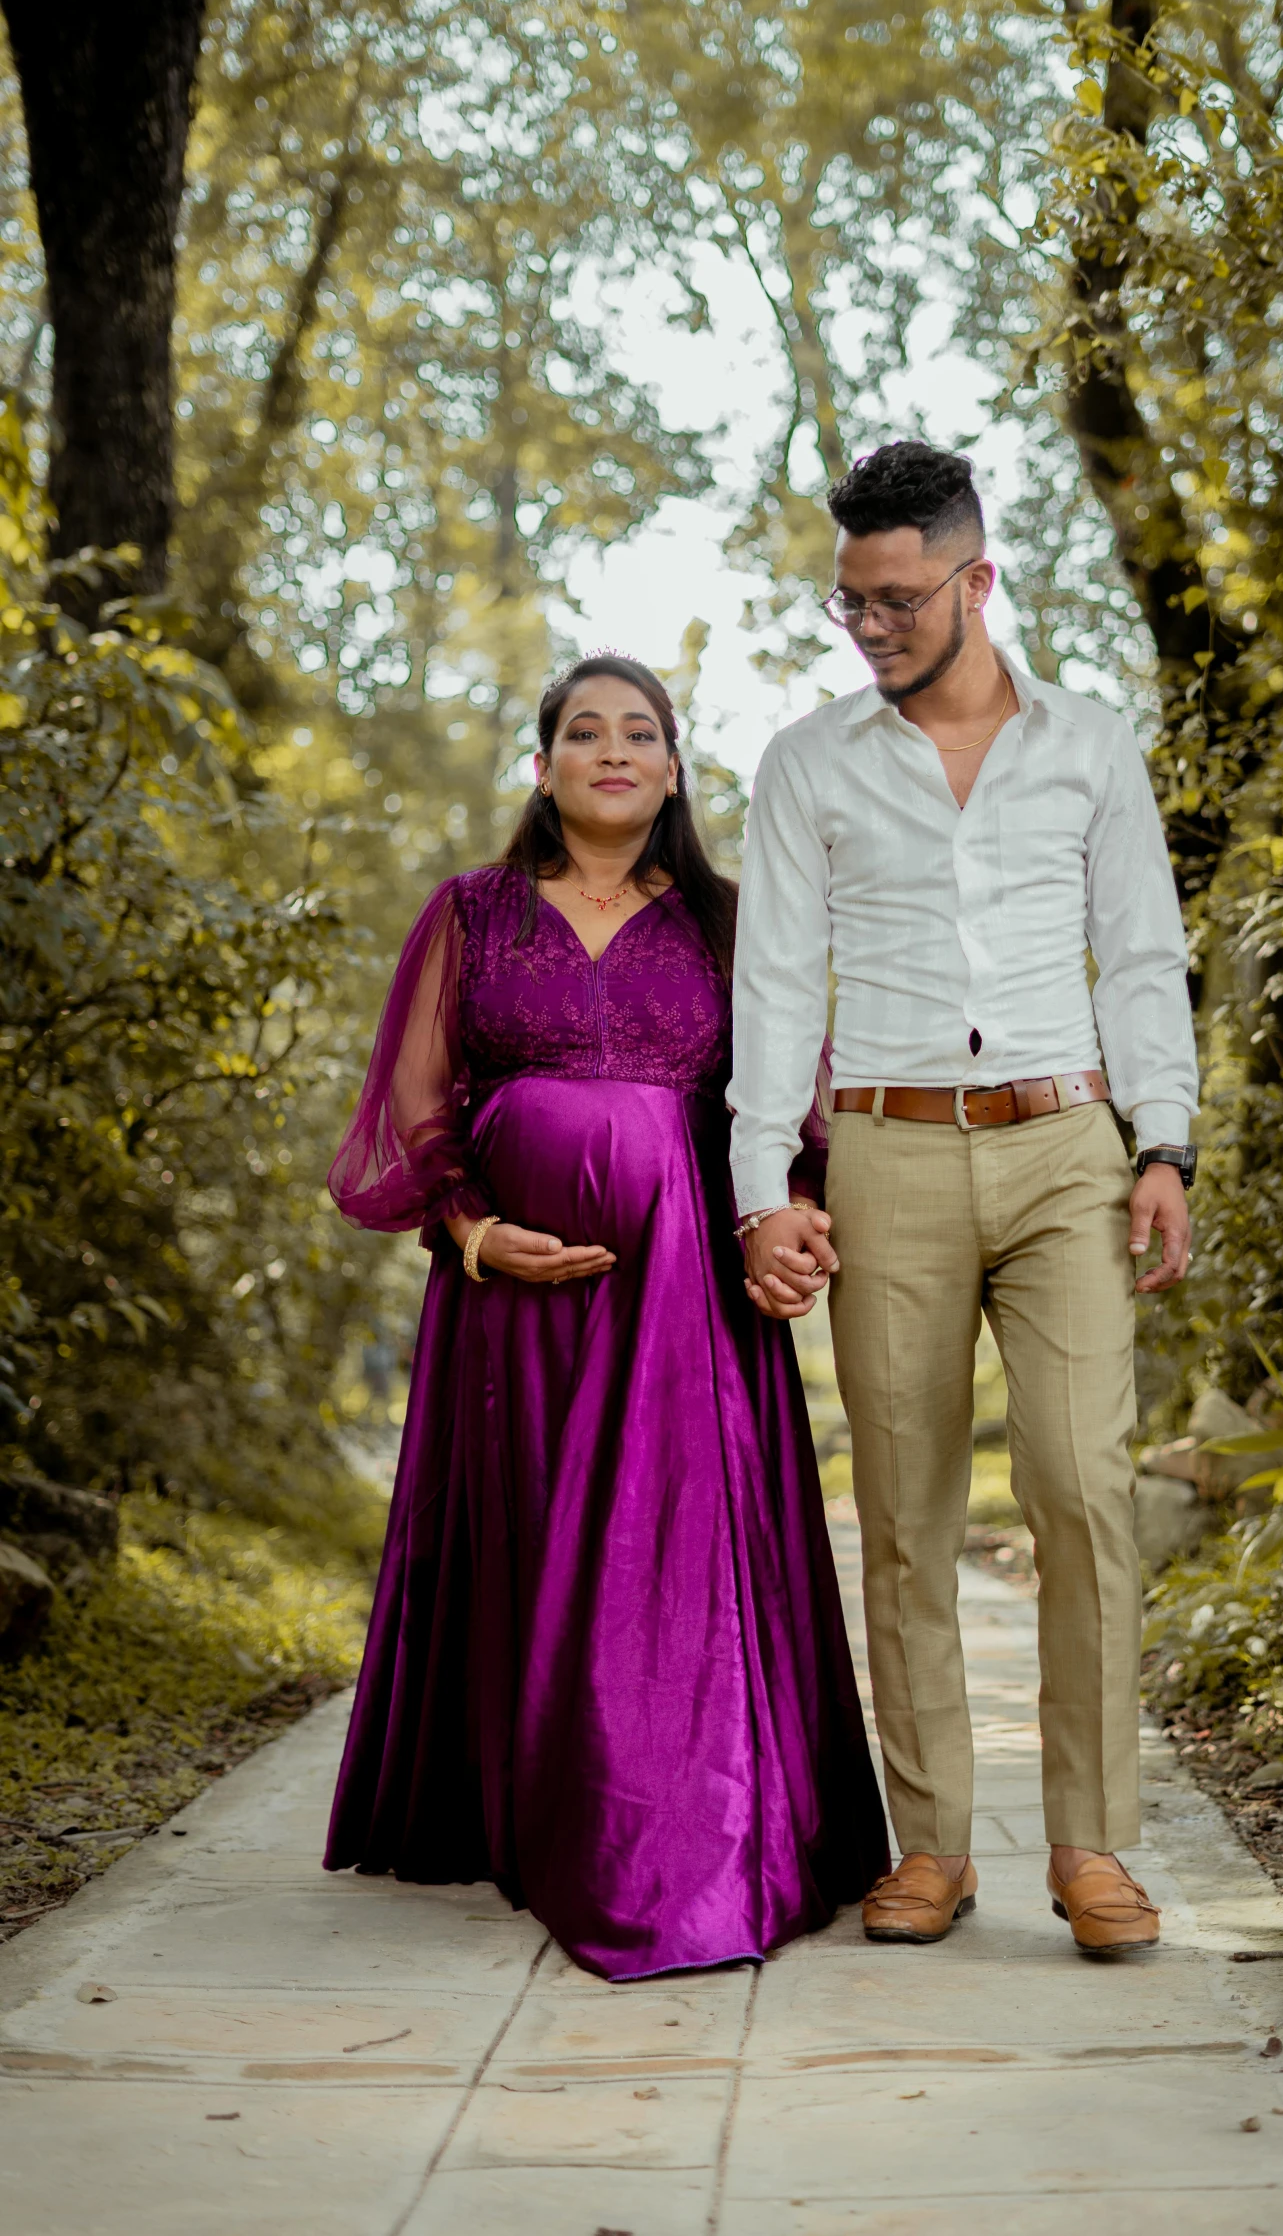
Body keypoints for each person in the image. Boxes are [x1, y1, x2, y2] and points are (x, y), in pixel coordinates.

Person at [324, 653, 888, 1981]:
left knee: (664, 1556)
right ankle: (516, 1803)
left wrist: (792, 1214)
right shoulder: (470, 911)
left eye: (643, 731)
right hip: (510, 1307)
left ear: (677, 768)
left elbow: (791, 1111)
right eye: (586, 731)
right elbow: (419, 1105)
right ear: (544, 765)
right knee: (524, 1538)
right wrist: (470, 1233)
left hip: (684, 1304)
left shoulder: (729, 921)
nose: (616, 749)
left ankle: (675, 1828)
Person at [729, 442, 1199, 1956]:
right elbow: (773, 989)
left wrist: (1164, 1145)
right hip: (884, 1152)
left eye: (896, 597)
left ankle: (1090, 1844)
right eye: (847, 600)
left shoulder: (1088, 744)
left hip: (1066, 1143)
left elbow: (1138, 952)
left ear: (975, 578)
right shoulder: (806, 763)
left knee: (1079, 1483)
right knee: (909, 1515)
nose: (867, 625)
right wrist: (760, 1192)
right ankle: (930, 1844)